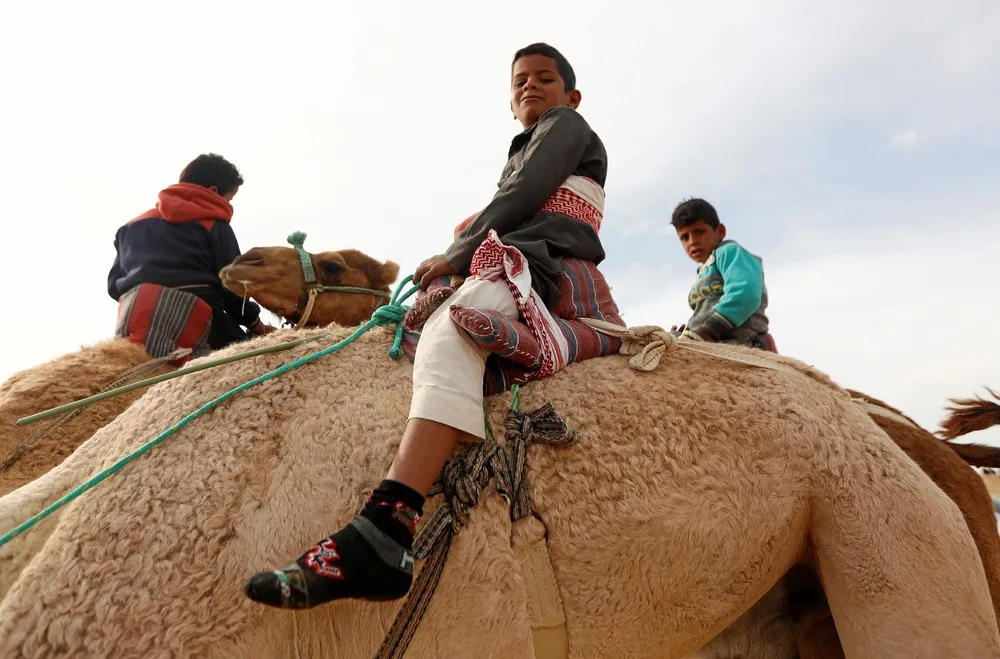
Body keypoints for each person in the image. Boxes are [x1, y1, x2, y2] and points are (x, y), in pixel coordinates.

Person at [244, 42, 609, 609]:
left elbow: (525, 194)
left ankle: (386, 529)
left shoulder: (565, 126)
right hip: (517, 257)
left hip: (537, 267)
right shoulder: (528, 146)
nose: (530, 87)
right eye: (519, 81)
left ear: (572, 95)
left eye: (544, 78)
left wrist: (456, 254)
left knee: (453, 330)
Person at [107, 154, 273, 350]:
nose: (229, 205)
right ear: (213, 191)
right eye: (229, 199)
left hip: (134, 317)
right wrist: (255, 324)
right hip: (198, 317)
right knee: (257, 358)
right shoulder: (214, 224)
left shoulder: (130, 227)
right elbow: (233, 286)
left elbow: (113, 285)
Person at [670, 198, 771, 350]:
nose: (693, 241)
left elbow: (746, 294)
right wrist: (688, 331)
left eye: (699, 232)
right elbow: (704, 311)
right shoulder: (702, 272)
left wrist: (708, 330)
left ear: (720, 231)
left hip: (738, 339)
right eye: (685, 237)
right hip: (706, 339)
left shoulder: (728, 252)